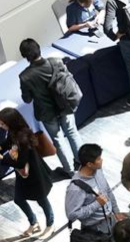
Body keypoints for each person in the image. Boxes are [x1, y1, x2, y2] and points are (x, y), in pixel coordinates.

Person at [0, 107, 55, 237]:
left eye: (2, 123)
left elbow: (21, 162)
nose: (0, 126)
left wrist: (0, 157)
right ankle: (34, 222)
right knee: (19, 199)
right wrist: (0, 147)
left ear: (11, 122)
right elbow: (9, 141)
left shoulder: (23, 138)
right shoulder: (14, 132)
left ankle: (51, 224)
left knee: (41, 199)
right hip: (22, 174)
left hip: (34, 174)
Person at [17, 38, 82, 176]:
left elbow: (27, 99)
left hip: (46, 112)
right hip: (65, 105)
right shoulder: (56, 61)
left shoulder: (25, 77)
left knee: (58, 139)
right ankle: (83, 162)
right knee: (72, 132)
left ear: (24, 56)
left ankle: (70, 170)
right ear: (39, 48)